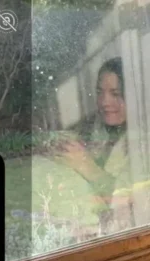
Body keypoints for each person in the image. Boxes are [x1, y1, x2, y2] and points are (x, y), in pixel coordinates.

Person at [54, 57, 133, 236]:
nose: (104, 102)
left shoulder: (146, 141)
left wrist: (86, 165)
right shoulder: (92, 128)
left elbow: (135, 200)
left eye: (115, 93)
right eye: (100, 92)